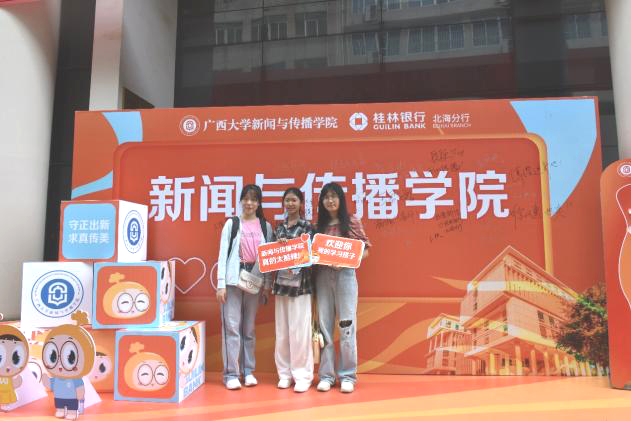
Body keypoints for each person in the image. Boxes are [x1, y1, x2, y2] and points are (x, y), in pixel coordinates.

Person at [315, 182, 371, 394]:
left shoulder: (351, 221)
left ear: (341, 199)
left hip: (345, 277)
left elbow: (366, 250)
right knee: (324, 326)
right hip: (322, 277)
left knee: (347, 325)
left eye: (334, 196)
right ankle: (326, 376)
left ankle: (347, 375)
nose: (330, 200)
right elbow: (313, 253)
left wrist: (346, 261)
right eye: (326, 197)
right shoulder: (319, 225)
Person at [216, 184, 273, 390]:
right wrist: (220, 284)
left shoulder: (266, 226)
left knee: (248, 329)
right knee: (231, 328)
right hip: (232, 280)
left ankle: (248, 371)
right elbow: (222, 254)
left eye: (254, 199)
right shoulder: (232, 224)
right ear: (241, 201)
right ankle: (231, 374)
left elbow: (269, 258)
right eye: (246, 199)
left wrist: (267, 285)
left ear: (259, 203)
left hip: (254, 280)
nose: (249, 203)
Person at [273, 188, 315, 393]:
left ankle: (303, 376)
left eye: (294, 200)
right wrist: (279, 246)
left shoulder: (308, 227)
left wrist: (295, 250)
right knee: (282, 333)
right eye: (287, 200)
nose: (290, 204)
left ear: (300, 203)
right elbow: (271, 257)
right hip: (281, 286)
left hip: (301, 287)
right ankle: (284, 374)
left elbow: (312, 256)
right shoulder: (278, 228)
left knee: (300, 333)